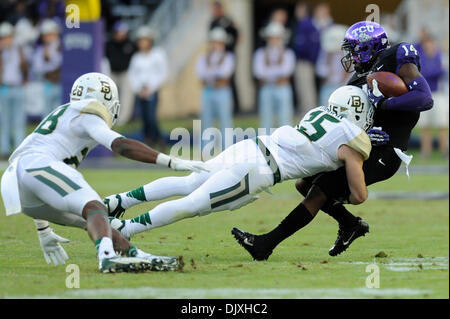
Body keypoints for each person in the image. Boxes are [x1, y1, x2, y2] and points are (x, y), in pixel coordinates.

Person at [233, 21, 434, 260]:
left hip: (386, 151)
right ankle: (350, 225)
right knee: (304, 184)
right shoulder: (358, 80)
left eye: (354, 50)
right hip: (364, 145)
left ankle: (265, 245)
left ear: (369, 47)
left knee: (319, 191)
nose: (350, 56)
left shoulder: (396, 55)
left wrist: (385, 103)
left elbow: (424, 98)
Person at [104, 86, 373, 242]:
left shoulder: (317, 113)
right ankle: (125, 229)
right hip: (259, 170)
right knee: (192, 204)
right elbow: (359, 195)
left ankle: (120, 201)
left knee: (189, 182)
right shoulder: (352, 139)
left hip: (251, 145)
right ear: (358, 113)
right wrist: (342, 193)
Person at [0, 72, 206, 272]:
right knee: (95, 207)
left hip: (19, 183)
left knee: (96, 220)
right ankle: (107, 258)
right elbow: (120, 145)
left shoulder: (66, 115)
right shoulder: (87, 114)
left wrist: (43, 231)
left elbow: (36, 181)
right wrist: (170, 161)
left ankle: (133, 253)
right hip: (35, 166)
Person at [128, 26, 168, 147]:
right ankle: (148, 141)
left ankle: (158, 140)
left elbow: (163, 73)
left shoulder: (158, 54)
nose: (142, 43)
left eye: (144, 40)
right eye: (140, 41)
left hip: (152, 90)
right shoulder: (136, 57)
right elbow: (132, 75)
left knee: (151, 117)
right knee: (144, 118)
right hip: (140, 91)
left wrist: (151, 88)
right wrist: (137, 89)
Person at [196, 27, 235, 153]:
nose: (215, 45)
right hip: (208, 91)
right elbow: (201, 74)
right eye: (213, 42)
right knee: (206, 122)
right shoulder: (204, 58)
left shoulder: (228, 57)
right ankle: (206, 151)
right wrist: (214, 77)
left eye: (218, 42)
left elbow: (225, 74)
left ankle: (228, 151)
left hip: (222, 91)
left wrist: (212, 77)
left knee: (225, 122)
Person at [254, 22, 296, 135]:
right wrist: (276, 74)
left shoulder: (288, 53)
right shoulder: (260, 53)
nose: (274, 40)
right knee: (265, 119)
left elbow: (287, 71)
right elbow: (258, 72)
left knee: (285, 119)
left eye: (277, 37)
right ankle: (265, 147)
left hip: (282, 88)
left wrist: (269, 74)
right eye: (271, 38)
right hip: (267, 88)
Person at [415, 31, 447, 158]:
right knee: (425, 126)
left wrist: (429, 72)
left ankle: (444, 151)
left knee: (442, 125)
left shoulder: (439, 56)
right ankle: (426, 151)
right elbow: (422, 73)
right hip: (425, 94)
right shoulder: (421, 57)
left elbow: (440, 72)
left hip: (438, 94)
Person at [0, 22, 28, 159]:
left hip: (17, 87)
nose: (6, 40)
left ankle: (19, 149)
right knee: (4, 120)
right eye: (4, 37)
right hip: (4, 88)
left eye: (8, 37)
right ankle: (4, 150)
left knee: (18, 120)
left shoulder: (19, 49)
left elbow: (26, 67)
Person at [209, 1, 240, 113]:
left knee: (230, 80)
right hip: (216, 56)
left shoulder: (228, 21)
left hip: (228, 54)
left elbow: (237, 35)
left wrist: (229, 49)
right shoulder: (213, 22)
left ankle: (236, 106)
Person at [105, 21, 136, 126]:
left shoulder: (130, 44)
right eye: (118, 32)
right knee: (110, 96)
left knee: (127, 96)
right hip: (112, 73)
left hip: (126, 73)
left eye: (122, 32)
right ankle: (110, 117)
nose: (120, 35)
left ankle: (123, 119)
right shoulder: (109, 44)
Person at [31, 19, 62, 116]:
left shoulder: (62, 46)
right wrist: (50, 63)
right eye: (45, 35)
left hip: (62, 84)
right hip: (48, 84)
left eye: (50, 34)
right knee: (47, 114)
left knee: (61, 113)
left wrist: (50, 58)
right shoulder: (41, 49)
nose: (48, 37)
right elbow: (37, 68)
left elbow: (59, 63)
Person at [315, 24, 349, 106]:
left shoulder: (348, 54)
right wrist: (328, 58)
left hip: (343, 88)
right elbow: (320, 71)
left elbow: (350, 72)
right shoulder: (325, 53)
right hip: (328, 86)